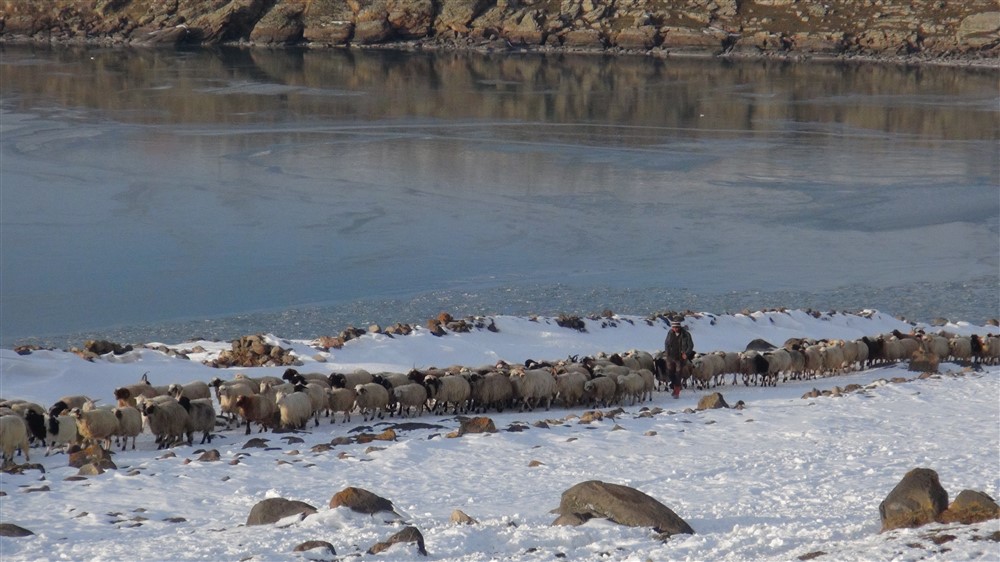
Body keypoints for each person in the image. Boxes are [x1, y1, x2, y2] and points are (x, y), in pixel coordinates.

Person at [663, 320, 694, 398]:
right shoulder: (670, 333)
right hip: (670, 356)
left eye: (676, 327)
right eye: (673, 327)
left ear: (679, 327)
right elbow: (666, 343)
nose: (675, 329)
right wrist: (667, 352)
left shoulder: (686, 334)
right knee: (670, 373)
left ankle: (676, 392)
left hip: (680, 357)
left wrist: (686, 354)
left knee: (678, 374)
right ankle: (675, 385)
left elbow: (690, 345)